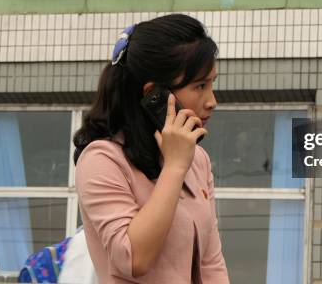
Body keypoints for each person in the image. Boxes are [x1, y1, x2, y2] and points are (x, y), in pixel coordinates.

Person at [73, 14, 230, 283]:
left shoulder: (198, 160)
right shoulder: (102, 159)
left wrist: (181, 162)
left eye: (212, 83)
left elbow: (211, 264)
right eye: (200, 86)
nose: (212, 101)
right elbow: (134, 258)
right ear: (155, 94)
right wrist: (174, 167)